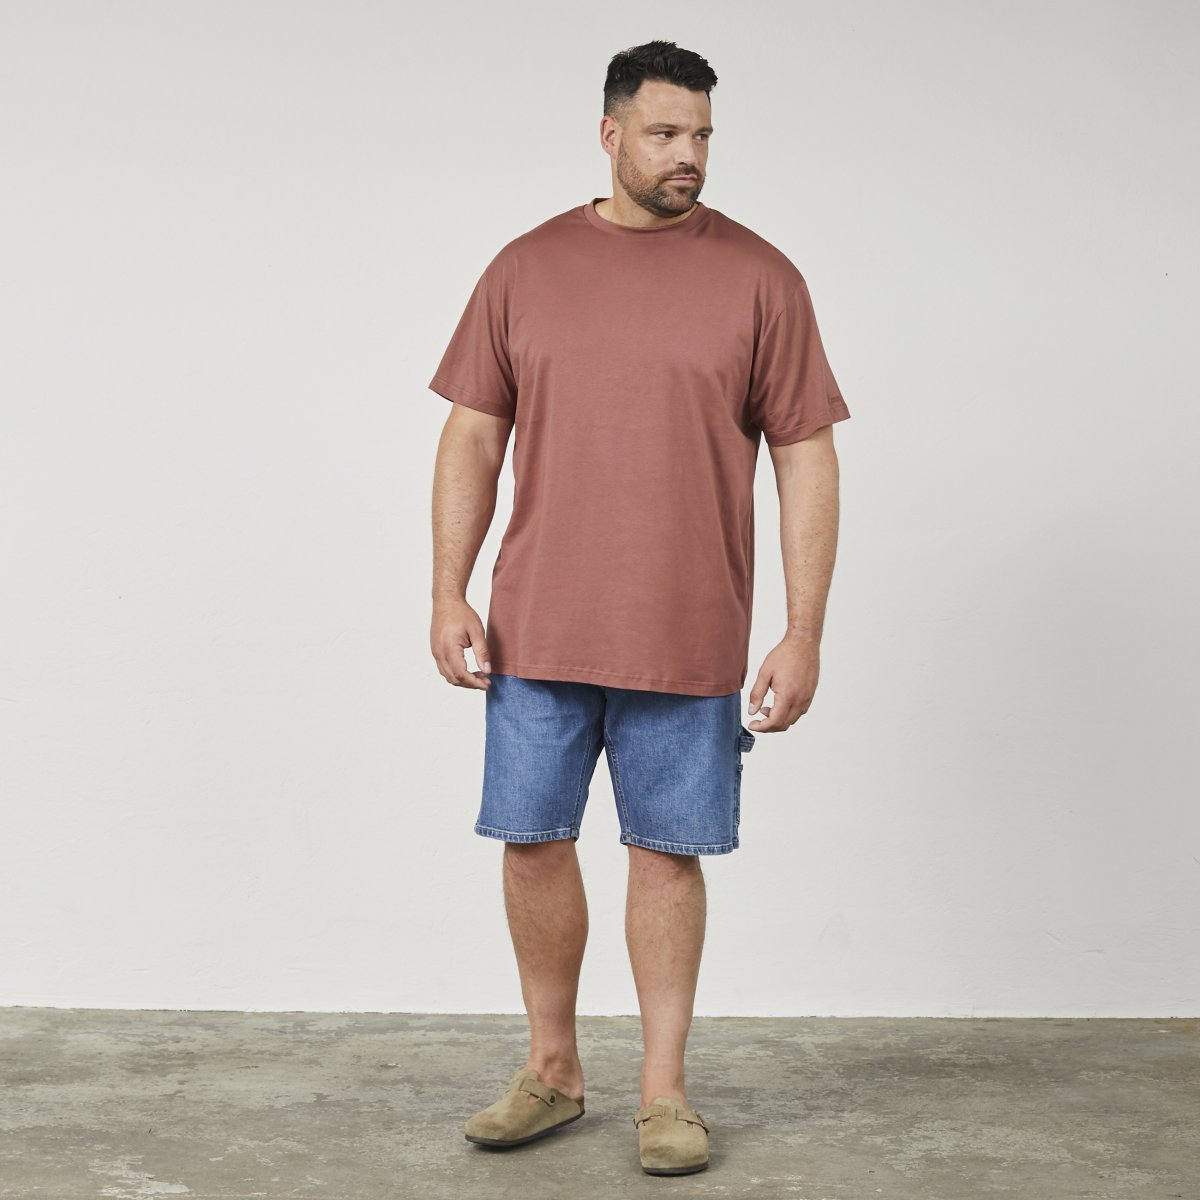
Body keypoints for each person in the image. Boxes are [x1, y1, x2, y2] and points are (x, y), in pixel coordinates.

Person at [427, 39, 851, 1176]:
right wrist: (448, 590)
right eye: (665, 134)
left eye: (702, 134)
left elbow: (806, 458)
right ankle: (552, 1071)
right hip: (536, 627)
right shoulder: (524, 269)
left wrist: (804, 630)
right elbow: (472, 434)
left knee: (668, 854)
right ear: (610, 135)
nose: (688, 155)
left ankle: (665, 1094)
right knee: (531, 842)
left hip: (689, 631)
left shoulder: (762, 279)